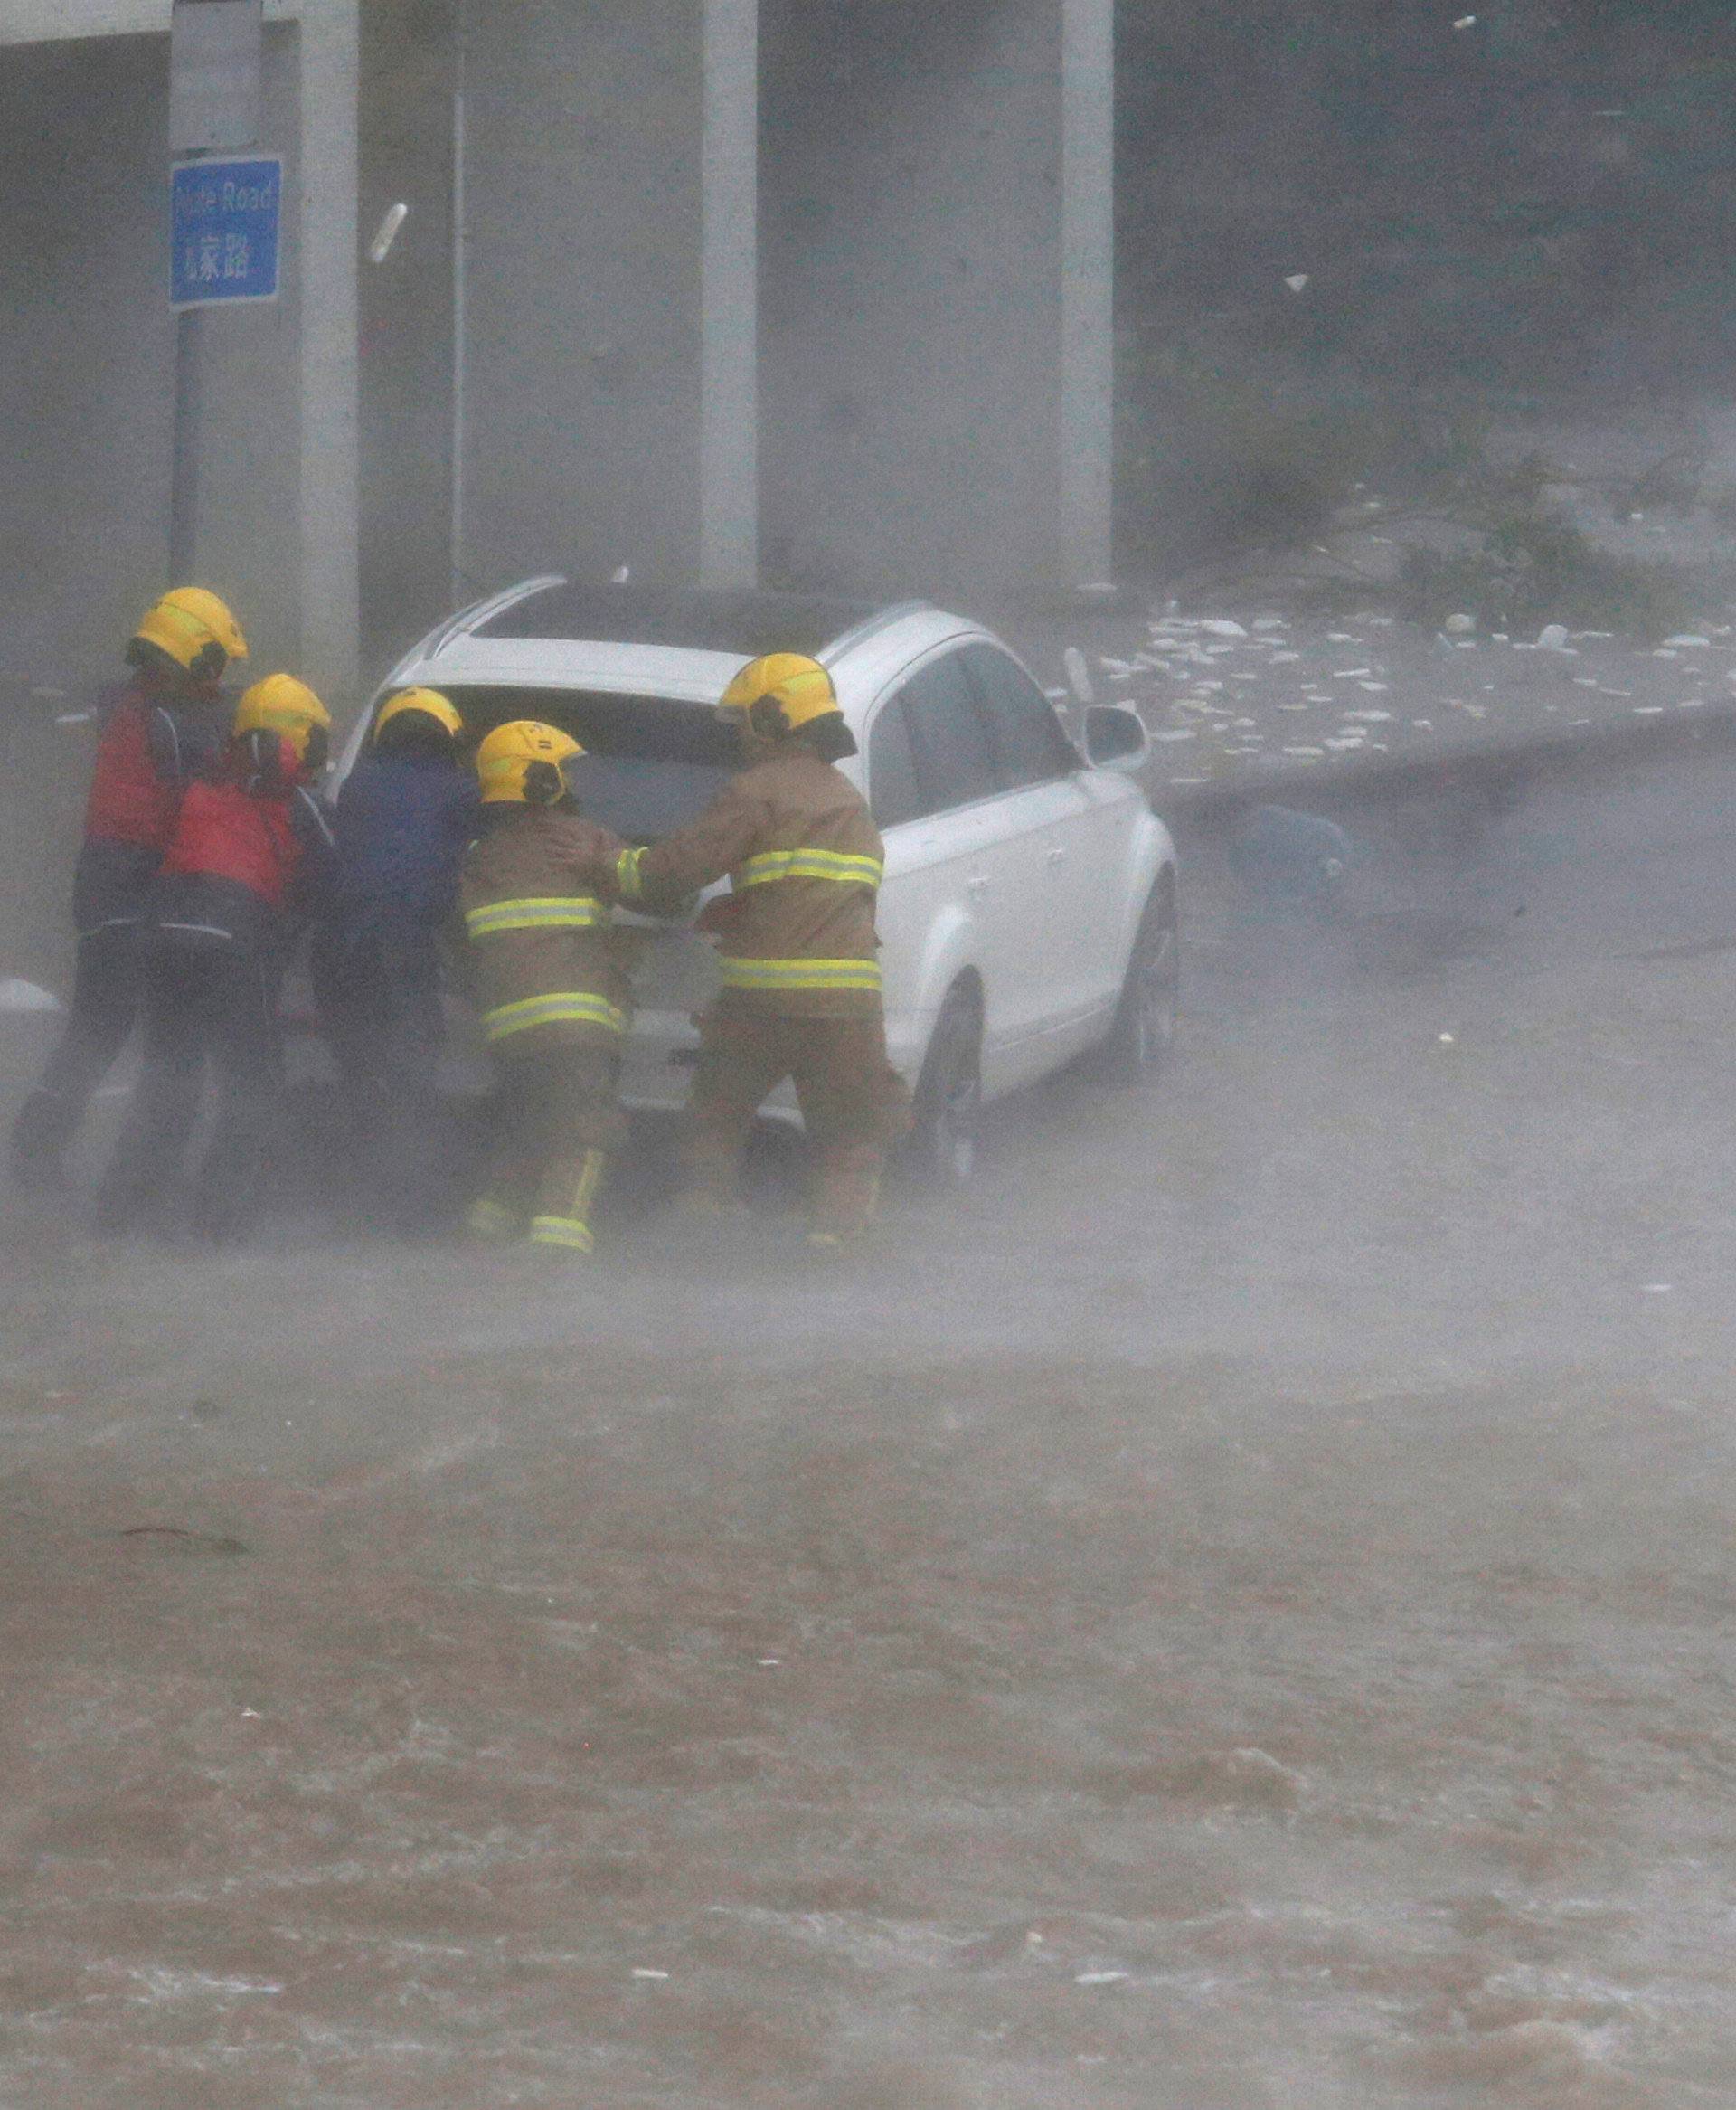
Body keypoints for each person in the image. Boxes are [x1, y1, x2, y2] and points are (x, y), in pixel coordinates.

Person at [612, 652, 909, 1247]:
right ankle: (837, 1248)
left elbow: (671, 874)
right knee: (848, 1135)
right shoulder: (851, 804)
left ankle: (702, 1226)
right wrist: (751, 907)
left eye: (746, 722)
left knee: (715, 1118)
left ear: (775, 719)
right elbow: (836, 902)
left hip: (760, 1001)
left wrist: (607, 866)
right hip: (849, 1005)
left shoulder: (755, 791)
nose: (740, 737)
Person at [8, 587, 247, 1190]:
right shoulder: (165, 720)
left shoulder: (133, 706)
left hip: (109, 882)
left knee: (100, 1024)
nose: (216, 684)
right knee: (129, 1027)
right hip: (130, 884)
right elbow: (193, 797)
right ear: (194, 661)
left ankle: (38, 1150)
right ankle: (56, 1157)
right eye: (214, 669)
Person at [96, 678, 336, 1242]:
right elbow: (329, 882)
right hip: (235, 947)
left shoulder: (199, 784)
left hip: (164, 941)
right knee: (252, 1085)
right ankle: (218, 1224)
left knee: (169, 1077)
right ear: (302, 741)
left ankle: (120, 1211)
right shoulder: (300, 803)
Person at [458, 720, 631, 1258]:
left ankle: (482, 1234)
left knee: (529, 1125)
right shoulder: (583, 841)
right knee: (583, 1131)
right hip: (575, 1021)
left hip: (507, 1026)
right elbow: (662, 892)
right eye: (564, 772)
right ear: (540, 779)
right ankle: (556, 1246)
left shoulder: (478, 856)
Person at [311, 687, 476, 1230]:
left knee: (359, 1070)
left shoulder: (359, 786)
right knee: (412, 1071)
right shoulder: (460, 793)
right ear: (448, 737)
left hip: (339, 948)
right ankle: (408, 1207)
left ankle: (349, 1193)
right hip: (403, 947)